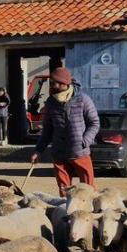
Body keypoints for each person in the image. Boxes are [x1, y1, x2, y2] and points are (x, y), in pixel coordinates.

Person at [30, 67, 100, 197]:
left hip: (80, 152)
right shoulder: (51, 102)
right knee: (64, 192)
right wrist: (38, 151)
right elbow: (47, 130)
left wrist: (85, 141)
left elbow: (94, 123)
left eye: (54, 82)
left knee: (89, 190)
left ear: (64, 83)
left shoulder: (83, 99)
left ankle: (90, 215)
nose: (51, 85)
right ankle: (67, 215)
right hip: (59, 153)